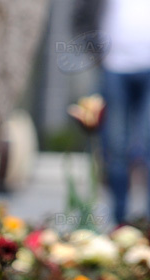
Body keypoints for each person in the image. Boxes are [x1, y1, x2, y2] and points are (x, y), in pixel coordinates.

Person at [74, 0, 150, 224]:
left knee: (147, 144)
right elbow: (81, 16)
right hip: (114, 68)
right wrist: (96, 53)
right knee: (116, 147)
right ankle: (119, 221)